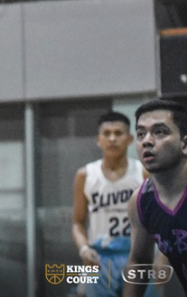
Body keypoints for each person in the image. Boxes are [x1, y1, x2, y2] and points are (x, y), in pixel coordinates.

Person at [72, 111, 148, 297]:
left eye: (118, 133)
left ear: (130, 139)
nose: (112, 138)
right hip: (100, 256)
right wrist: (84, 249)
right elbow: (77, 223)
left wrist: (162, 257)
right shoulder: (85, 175)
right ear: (98, 140)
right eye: (107, 133)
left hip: (137, 256)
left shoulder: (143, 172)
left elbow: (158, 220)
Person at [124, 99, 187, 296]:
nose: (147, 141)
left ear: (185, 144)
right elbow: (139, 262)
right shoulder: (141, 201)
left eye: (159, 132)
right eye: (141, 134)